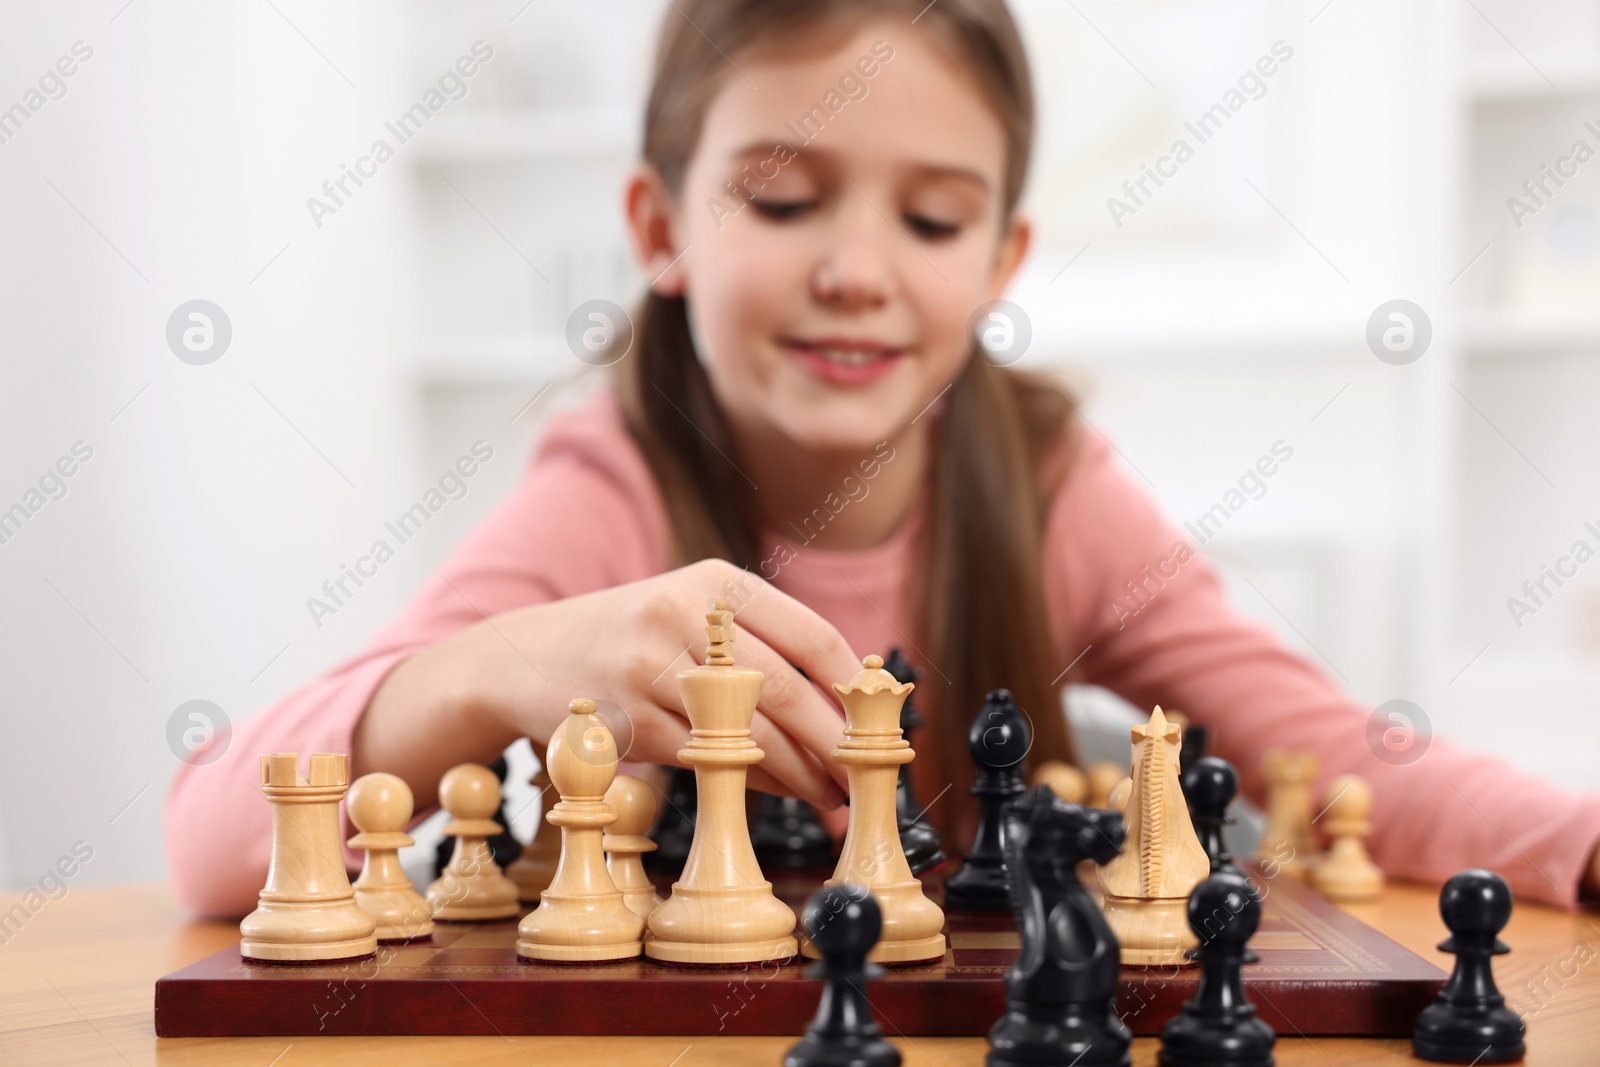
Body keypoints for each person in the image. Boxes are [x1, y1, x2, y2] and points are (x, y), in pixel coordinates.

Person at [167, 0, 1600, 917]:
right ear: (658, 230)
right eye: (786, 199)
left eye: (930, 223)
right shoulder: (608, 486)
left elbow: (1345, 760)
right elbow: (212, 838)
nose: (858, 271)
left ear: (1000, 262)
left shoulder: (1046, 490)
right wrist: (495, 668)